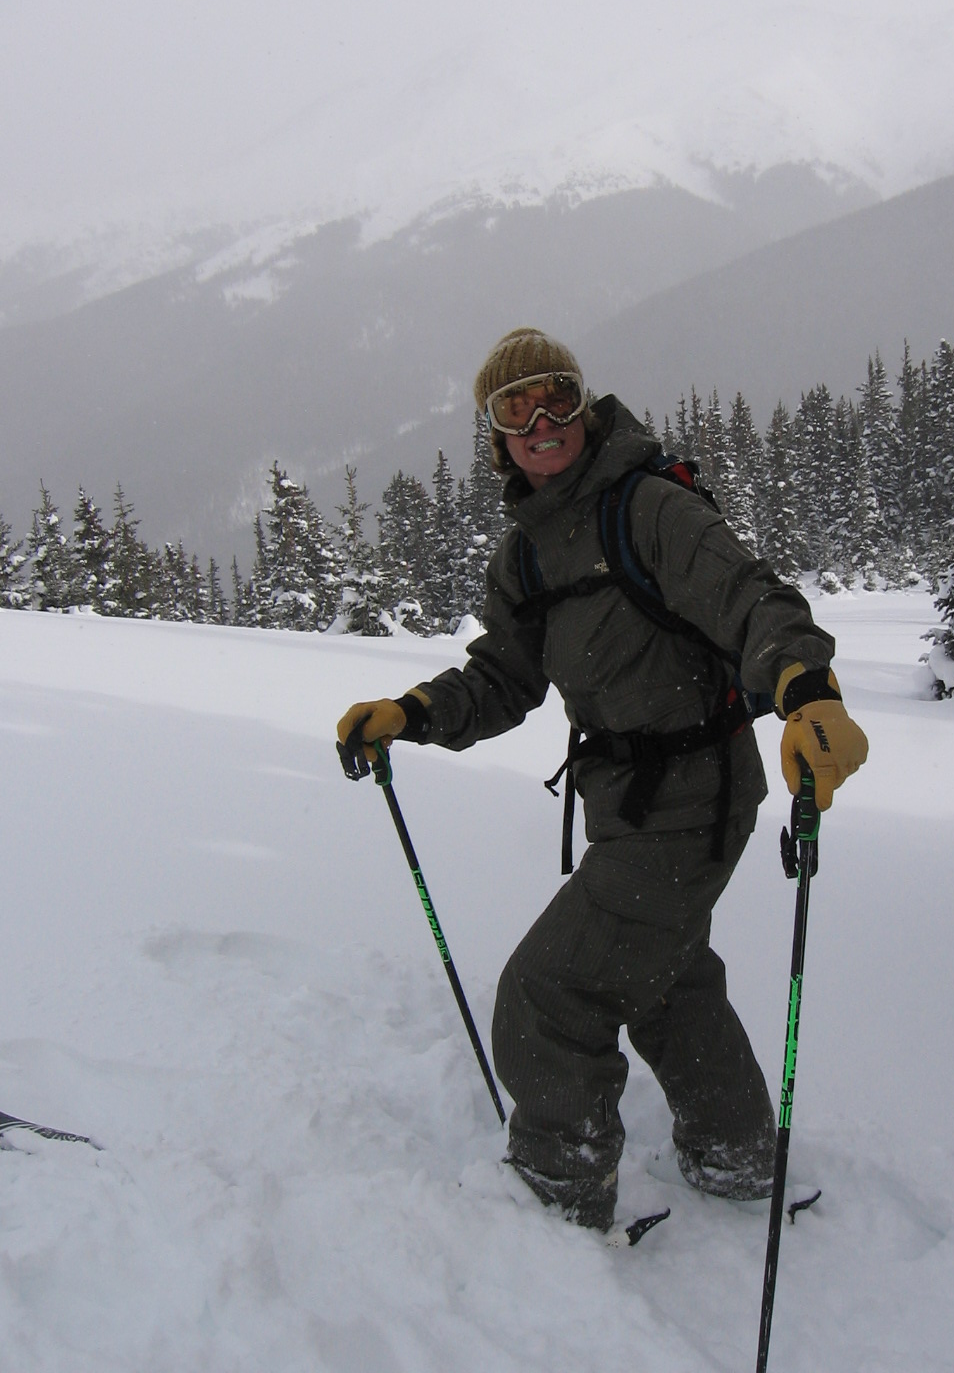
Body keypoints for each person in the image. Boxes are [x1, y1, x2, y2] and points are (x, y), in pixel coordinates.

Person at [337, 327, 868, 1233]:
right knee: (661, 978)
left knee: (552, 996)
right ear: (495, 433)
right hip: (624, 805)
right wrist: (415, 712)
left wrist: (806, 689)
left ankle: (555, 1202)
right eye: (515, 407)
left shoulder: (648, 509)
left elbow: (753, 599)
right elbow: (504, 677)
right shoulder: (528, 554)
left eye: (557, 397)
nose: (541, 420)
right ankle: (735, 1154)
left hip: (695, 798)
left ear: (585, 405)